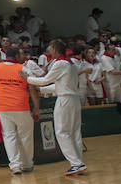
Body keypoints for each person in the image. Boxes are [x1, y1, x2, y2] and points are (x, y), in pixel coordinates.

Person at [27, 41, 86, 176]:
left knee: (61, 132)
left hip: (64, 100)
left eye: (50, 48)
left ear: (54, 48)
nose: (48, 50)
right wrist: (40, 89)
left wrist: (28, 79)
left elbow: (45, 80)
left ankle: (77, 164)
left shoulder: (59, 64)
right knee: (75, 132)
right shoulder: (70, 64)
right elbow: (60, 85)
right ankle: (78, 162)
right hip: (74, 99)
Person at [0, 47, 40, 174]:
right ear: (16, 56)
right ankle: (27, 164)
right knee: (25, 136)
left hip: (3, 107)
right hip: (21, 106)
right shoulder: (23, 69)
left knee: (9, 136)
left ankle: (15, 165)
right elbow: (33, 90)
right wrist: (36, 108)